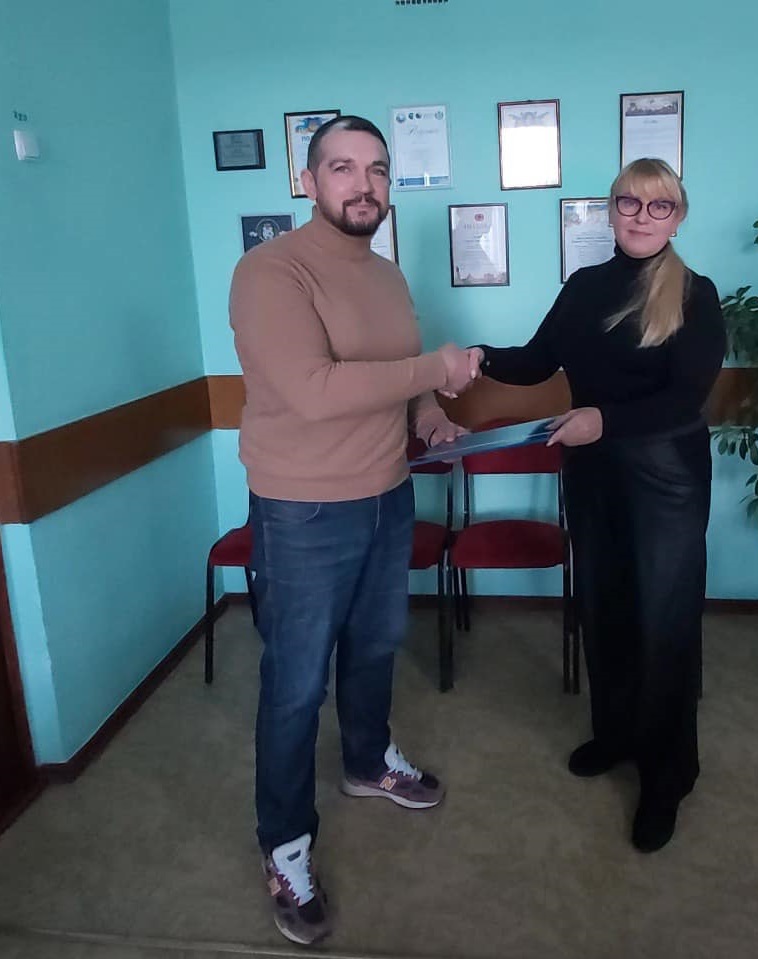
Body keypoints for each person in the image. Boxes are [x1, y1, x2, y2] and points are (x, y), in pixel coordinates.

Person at [229, 115, 480, 945]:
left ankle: (368, 761)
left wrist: (429, 411)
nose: (362, 183)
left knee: (375, 647)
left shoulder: (387, 274)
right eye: (342, 167)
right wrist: (435, 368)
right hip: (303, 509)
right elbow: (313, 389)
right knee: (296, 684)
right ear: (307, 181)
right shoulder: (270, 271)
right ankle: (284, 845)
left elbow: (396, 374)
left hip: (387, 494)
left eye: (376, 168)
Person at [471, 157, 725, 853]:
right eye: (628, 203)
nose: (641, 216)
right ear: (609, 211)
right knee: (604, 609)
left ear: (678, 217)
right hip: (593, 472)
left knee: (663, 623)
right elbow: (535, 361)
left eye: (658, 205)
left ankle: (669, 774)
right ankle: (616, 736)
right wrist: (477, 356)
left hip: (666, 477)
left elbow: (685, 400)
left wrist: (602, 420)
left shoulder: (695, 293)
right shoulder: (584, 285)